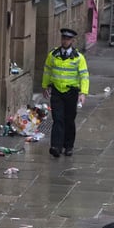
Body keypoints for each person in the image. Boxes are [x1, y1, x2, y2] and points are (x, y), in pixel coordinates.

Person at [42, 28, 89, 158]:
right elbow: (47, 70)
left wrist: (83, 93)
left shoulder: (79, 58)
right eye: (63, 38)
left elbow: (84, 76)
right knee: (57, 119)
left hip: (71, 92)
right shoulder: (53, 55)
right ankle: (56, 146)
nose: (65, 41)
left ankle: (68, 146)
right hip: (57, 91)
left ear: (72, 41)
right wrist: (45, 85)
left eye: (68, 39)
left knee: (69, 119)